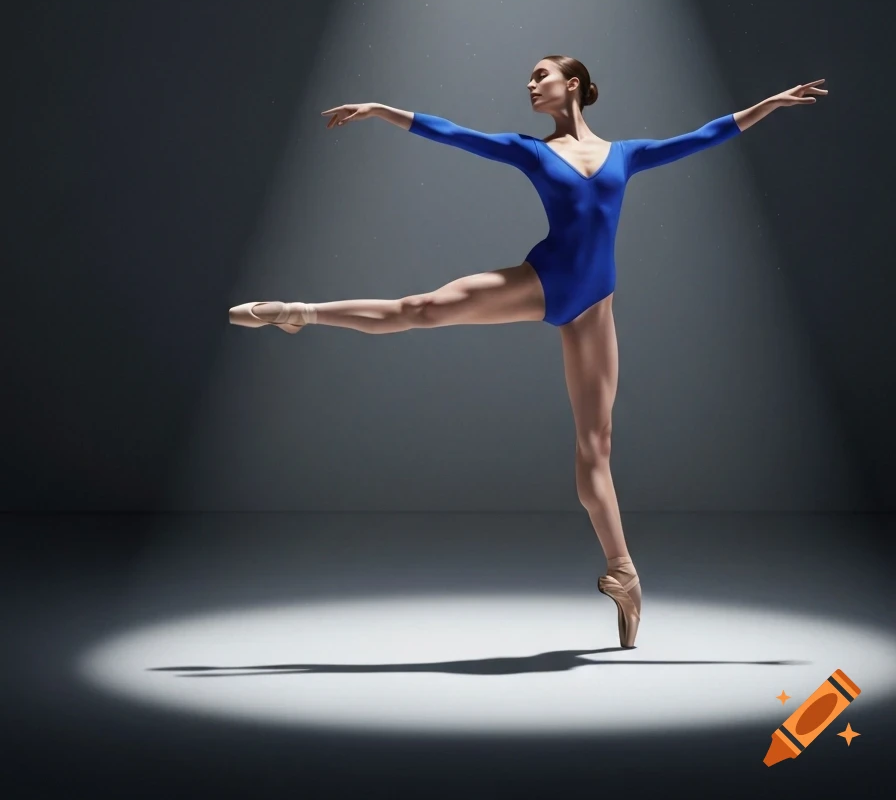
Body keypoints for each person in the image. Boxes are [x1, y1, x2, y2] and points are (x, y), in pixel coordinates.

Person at [230, 56, 828, 648]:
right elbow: (456, 135)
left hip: (595, 306)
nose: (529, 84)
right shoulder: (532, 151)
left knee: (596, 448)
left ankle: (623, 573)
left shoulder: (627, 154)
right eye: (529, 77)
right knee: (423, 309)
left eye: (541, 75)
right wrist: (386, 111)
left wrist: (769, 105)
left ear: (574, 84)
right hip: (543, 280)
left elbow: (703, 136)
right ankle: (299, 314)